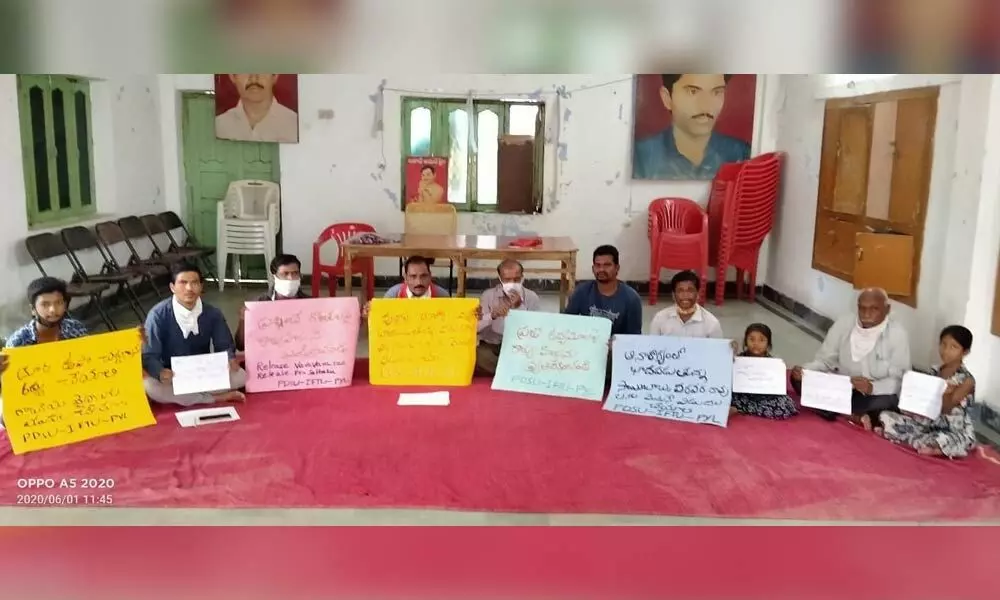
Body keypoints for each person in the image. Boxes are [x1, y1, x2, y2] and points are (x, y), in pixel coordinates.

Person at [790, 288, 911, 429]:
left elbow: (900, 381)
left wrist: (872, 388)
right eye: (862, 308)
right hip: (841, 387)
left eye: (874, 309)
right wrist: (806, 371)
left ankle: (832, 409)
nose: (866, 314)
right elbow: (825, 361)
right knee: (797, 379)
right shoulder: (844, 324)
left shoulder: (897, 334)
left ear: (887, 309)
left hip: (873, 395)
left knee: (889, 402)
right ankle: (850, 413)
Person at [142, 262, 246, 406]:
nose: (189, 288)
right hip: (172, 376)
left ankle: (190, 397)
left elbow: (224, 345)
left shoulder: (212, 313)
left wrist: (229, 358)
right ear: (172, 287)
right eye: (183, 283)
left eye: (194, 283)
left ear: (201, 286)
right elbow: (149, 355)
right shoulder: (158, 315)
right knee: (150, 386)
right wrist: (160, 372)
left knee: (240, 376)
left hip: (201, 372)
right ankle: (215, 397)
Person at [879, 325, 977, 458]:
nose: (946, 351)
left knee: (946, 439)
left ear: (965, 352)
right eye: (943, 344)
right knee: (886, 416)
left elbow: (947, 408)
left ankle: (937, 448)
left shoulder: (967, 381)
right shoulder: (934, 371)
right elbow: (920, 400)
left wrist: (943, 393)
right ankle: (927, 443)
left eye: (953, 347)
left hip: (953, 429)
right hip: (927, 422)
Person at [633, 74, 751, 180]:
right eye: (693, 91)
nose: (706, 106)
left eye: (716, 92)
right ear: (667, 98)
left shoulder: (741, 154)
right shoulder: (640, 158)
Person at [475, 259, 541, 374]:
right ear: (500, 279)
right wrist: (492, 315)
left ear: (522, 278)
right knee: (479, 355)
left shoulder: (531, 297)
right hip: (493, 344)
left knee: (537, 355)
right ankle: (511, 371)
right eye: (507, 280)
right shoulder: (488, 295)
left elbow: (536, 330)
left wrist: (519, 307)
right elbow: (476, 328)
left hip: (520, 345)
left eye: (516, 279)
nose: (512, 283)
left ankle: (503, 371)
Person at [564, 245, 643, 336]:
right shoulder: (581, 292)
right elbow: (567, 323)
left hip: (616, 348)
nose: (601, 269)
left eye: (607, 265)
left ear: (617, 268)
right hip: (587, 343)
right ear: (593, 268)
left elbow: (634, 336)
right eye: (598, 265)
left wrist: (615, 343)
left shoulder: (632, 299)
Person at [235, 254, 309, 351]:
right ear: (274, 276)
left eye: (295, 273)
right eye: (285, 274)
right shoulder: (259, 304)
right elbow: (241, 346)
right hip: (269, 362)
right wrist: (243, 320)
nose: (290, 278)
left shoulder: (310, 303)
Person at [730, 323, 798, 420]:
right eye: (752, 339)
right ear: (745, 342)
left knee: (786, 405)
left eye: (761, 340)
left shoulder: (774, 363)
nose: (756, 344)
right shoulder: (739, 360)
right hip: (743, 394)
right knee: (725, 396)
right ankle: (742, 407)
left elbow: (776, 387)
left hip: (764, 397)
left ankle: (740, 409)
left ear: (768, 344)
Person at [215, 74, 299, 143]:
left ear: (275, 76)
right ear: (232, 76)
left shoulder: (295, 126)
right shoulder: (219, 126)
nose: (254, 77)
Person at [648, 271, 724, 338]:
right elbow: (652, 348)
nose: (685, 295)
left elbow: (717, 351)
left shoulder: (711, 323)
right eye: (680, 291)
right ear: (673, 295)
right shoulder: (660, 318)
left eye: (690, 290)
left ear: (698, 294)